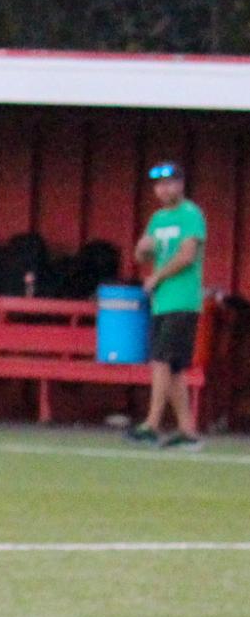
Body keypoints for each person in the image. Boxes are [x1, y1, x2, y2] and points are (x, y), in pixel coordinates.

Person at [129, 161, 206, 449]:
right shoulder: (157, 219)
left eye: (170, 182)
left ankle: (151, 423)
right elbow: (143, 255)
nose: (164, 188)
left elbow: (187, 255)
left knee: (160, 360)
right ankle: (188, 431)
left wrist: (157, 276)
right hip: (162, 302)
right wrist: (142, 249)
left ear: (181, 184)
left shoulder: (191, 215)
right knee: (172, 367)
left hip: (182, 300)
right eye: (159, 184)